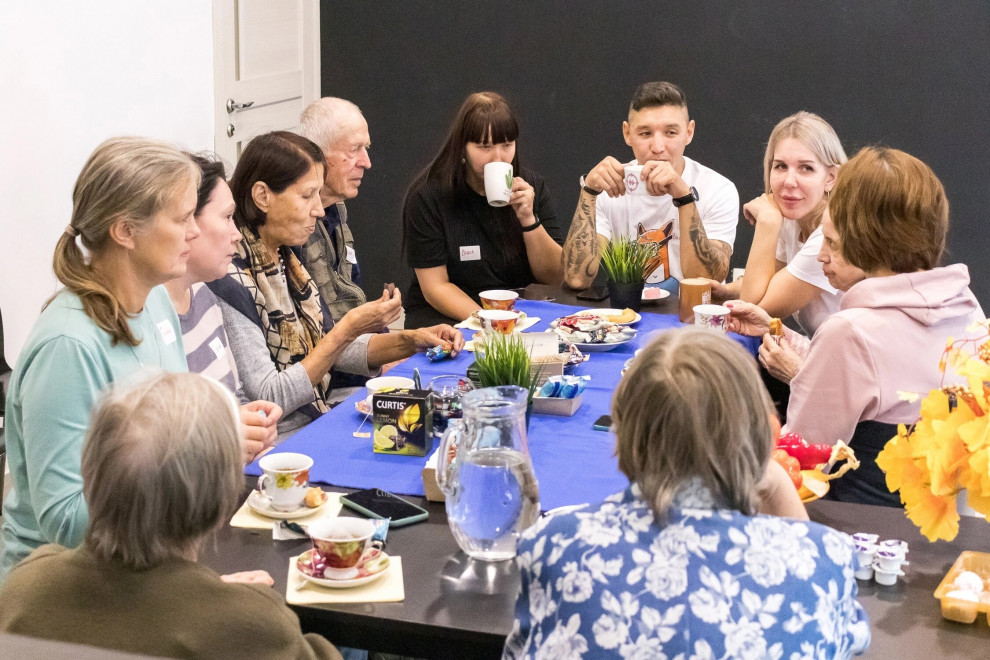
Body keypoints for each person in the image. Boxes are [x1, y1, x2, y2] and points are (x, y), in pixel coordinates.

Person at [503, 327, 870, 659]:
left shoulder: (554, 545)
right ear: (763, 433)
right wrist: (774, 484)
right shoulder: (824, 558)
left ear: (624, 433)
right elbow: (846, 640)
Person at [0, 370, 343, 660]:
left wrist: (195, 593)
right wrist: (225, 601)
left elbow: (134, 618)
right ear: (223, 501)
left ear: (90, 475)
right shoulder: (253, 626)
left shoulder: (23, 589)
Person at [727, 146, 984, 506]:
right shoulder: (967, 307)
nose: (821, 255)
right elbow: (887, 377)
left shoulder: (850, 332)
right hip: (951, 532)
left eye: (831, 241)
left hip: (864, 532)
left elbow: (796, 457)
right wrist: (776, 330)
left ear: (871, 243)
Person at [0, 138, 199, 578]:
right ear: (125, 231)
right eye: (182, 218)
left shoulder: (157, 302)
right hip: (61, 593)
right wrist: (196, 456)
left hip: (145, 556)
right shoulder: (68, 347)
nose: (195, 231)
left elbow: (176, 428)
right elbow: (66, 522)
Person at [210, 131, 463, 436]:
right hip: (283, 438)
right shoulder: (228, 279)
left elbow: (329, 348)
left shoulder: (286, 259)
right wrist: (349, 328)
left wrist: (412, 340)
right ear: (262, 196)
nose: (318, 210)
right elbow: (270, 396)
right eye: (307, 196)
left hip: (319, 414)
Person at [402, 91, 563, 328]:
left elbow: (555, 277)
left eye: (507, 145)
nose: (498, 157)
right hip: (448, 318)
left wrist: (528, 219)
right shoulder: (428, 197)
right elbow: (435, 288)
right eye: (484, 146)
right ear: (462, 149)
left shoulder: (532, 187)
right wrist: (491, 323)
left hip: (520, 314)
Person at [562, 81, 738, 291]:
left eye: (671, 133)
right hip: (627, 316)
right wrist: (589, 192)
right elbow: (576, 279)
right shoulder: (610, 186)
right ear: (627, 134)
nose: (658, 147)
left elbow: (707, 282)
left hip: (692, 321)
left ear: (689, 132)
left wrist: (684, 197)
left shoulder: (717, 188)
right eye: (645, 133)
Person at [164, 153, 283, 463]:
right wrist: (226, 437)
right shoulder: (150, 319)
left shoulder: (205, 294)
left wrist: (255, 425)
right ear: (187, 222)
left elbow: (235, 396)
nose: (237, 234)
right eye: (227, 217)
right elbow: (165, 445)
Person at [712, 112, 847, 336]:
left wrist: (768, 221)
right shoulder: (793, 216)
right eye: (781, 166)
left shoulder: (829, 236)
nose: (789, 181)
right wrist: (725, 291)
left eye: (806, 168)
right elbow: (769, 279)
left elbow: (752, 309)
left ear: (830, 178)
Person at [297, 97, 371, 320]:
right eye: (354, 149)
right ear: (318, 154)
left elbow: (349, 292)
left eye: (366, 148)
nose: (366, 162)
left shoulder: (337, 208)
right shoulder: (295, 227)